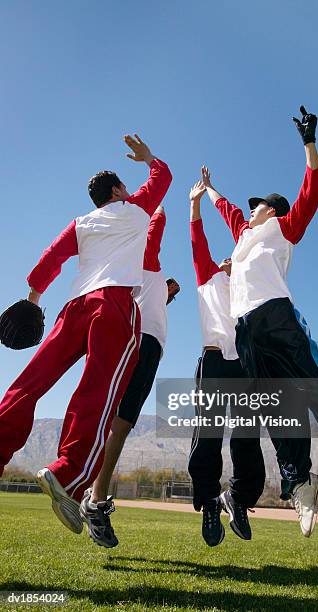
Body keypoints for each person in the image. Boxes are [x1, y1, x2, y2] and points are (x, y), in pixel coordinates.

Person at [201, 106, 318, 535]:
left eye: (257, 206)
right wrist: (209, 190)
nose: (249, 212)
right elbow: (227, 209)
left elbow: (313, 189)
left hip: (276, 316)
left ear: (272, 209)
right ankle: (300, 481)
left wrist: (309, 143)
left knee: (317, 385)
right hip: (246, 330)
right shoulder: (244, 235)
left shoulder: (283, 227)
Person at [0, 134, 172, 534]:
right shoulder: (133, 211)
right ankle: (68, 473)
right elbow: (163, 179)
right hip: (112, 307)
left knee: (28, 385)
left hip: (72, 308)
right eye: (124, 189)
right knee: (97, 392)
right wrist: (149, 159)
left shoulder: (82, 223)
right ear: (117, 191)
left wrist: (33, 299)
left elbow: (50, 258)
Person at [79, 204, 180, 548]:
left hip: (141, 341)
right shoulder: (144, 259)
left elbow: (151, 299)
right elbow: (157, 224)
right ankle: (91, 496)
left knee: (117, 425)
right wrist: (159, 198)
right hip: (142, 342)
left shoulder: (140, 277)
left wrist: (167, 294)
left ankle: (91, 493)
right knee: (117, 425)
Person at [188, 180, 266, 546]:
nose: (229, 260)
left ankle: (238, 497)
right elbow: (198, 241)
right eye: (227, 259)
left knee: (248, 437)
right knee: (208, 437)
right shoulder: (208, 277)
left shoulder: (248, 288)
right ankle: (208, 504)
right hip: (215, 362)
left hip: (245, 366)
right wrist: (196, 205)